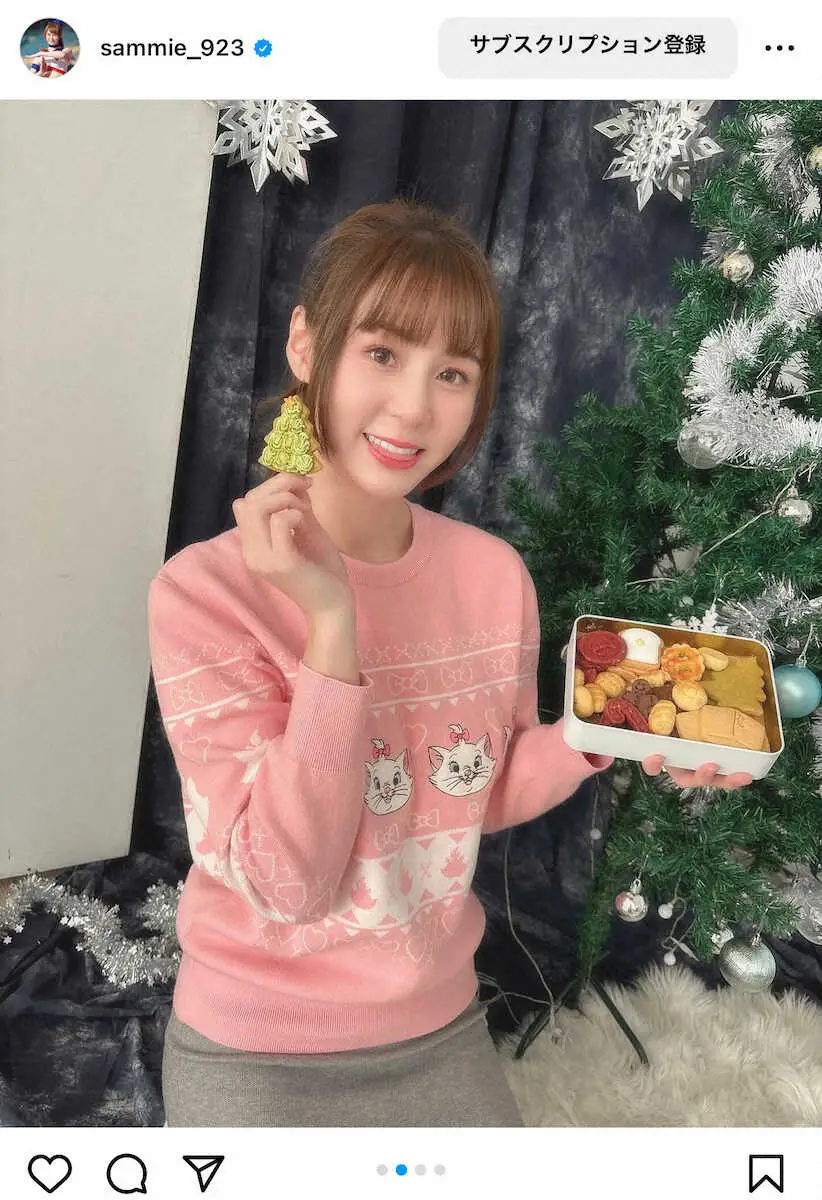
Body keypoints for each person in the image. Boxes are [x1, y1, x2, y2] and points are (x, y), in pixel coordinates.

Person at [149, 198, 753, 1128]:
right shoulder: (203, 594)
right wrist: (330, 624)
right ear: (307, 345)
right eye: (382, 353)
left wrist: (612, 730)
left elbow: (476, 788)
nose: (414, 408)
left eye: (453, 372)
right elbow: (287, 885)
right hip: (255, 1040)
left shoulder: (491, 576)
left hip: (434, 1029)